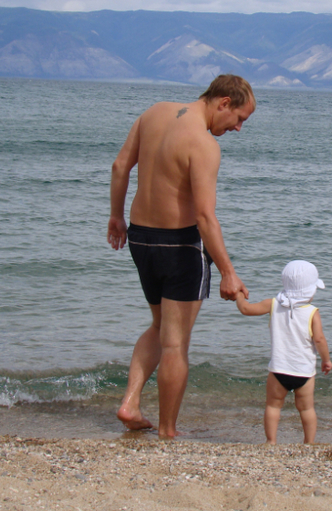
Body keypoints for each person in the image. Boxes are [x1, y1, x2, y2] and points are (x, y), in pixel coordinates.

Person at [107, 74, 255, 439]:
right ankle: (168, 430)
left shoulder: (154, 112)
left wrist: (116, 216)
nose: (238, 128)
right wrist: (228, 272)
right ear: (223, 102)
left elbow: (120, 166)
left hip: (141, 238)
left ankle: (130, 403)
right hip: (180, 246)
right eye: (239, 119)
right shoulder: (204, 144)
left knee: (159, 327)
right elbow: (204, 217)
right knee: (175, 342)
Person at [235, 260, 332, 444]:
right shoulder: (312, 312)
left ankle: (271, 441)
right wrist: (326, 360)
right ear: (310, 290)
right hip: (304, 372)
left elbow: (246, 309)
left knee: (273, 406)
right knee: (306, 409)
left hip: (279, 370)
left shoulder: (273, 304)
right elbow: (319, 339)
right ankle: (309, 443)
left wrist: (238, 294)